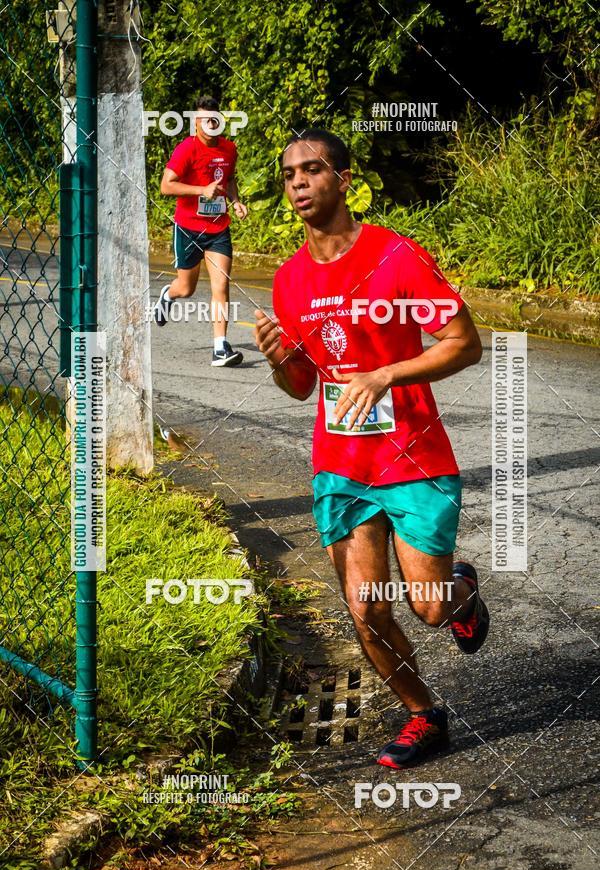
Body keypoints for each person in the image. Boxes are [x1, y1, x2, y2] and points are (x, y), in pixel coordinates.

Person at [254, 128, 490, 769]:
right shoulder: (290, 281)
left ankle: (460, 589)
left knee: (430, 608)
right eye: (288, 175)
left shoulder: (397, 256)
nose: (298, 182)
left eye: (312, 169)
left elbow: (464, 343)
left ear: (344, 180)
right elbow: (302, 385)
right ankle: (424, 714)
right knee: (366, 612)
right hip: (342, 467)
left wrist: (387, 373)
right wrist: (279, 362)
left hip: (414, 457)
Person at [155, 95, 247, 366]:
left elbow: (229, 180)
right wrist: (200, 190)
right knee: (186, 288)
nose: (208, 125)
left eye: (212, 120)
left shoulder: (229, 149)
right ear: (194, 124)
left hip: (218, 228)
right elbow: (166, 186)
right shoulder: (186, 149)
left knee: (221, 285)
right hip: (188, 227)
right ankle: (167, 295)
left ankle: (220, 347)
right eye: (202, 120)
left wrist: (236, 201)